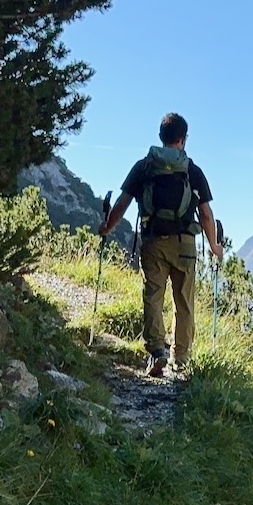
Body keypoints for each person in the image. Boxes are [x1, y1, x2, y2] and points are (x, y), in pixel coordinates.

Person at [99, 112, 222, 377]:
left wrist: (107, 227)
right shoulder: (192, 170)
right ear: (184, 139)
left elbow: (122, 202)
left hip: (153, 240)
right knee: (184, 302)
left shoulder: (144, 167)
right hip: (185, 245)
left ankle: (157, 352)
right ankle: (182, 359)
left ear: (160, 137)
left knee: (153, 296)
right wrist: (214, 245)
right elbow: (206, 214)